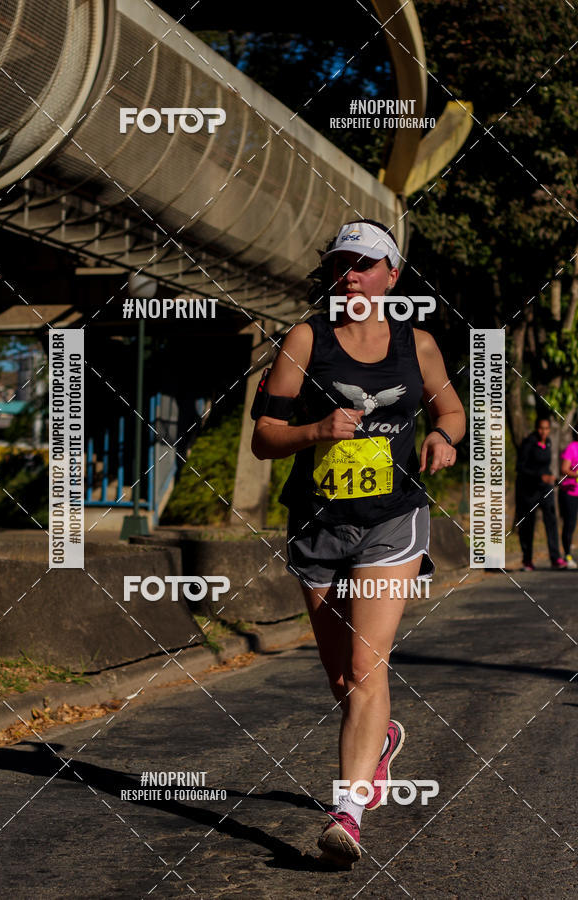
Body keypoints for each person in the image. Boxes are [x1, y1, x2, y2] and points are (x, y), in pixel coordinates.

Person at [251, 219, 466, 866]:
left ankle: (346, 811)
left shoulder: (418, 346)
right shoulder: (305, 340)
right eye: (343, 263)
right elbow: (264, 438)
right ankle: (383, 738)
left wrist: (443, 439)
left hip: (391, 521)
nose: (351, 275)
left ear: (391, 276)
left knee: (369, 669)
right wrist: (317, 430)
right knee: (344, 676)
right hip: (319, 525)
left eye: (366, 264)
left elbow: (450, 410)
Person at [515, 417, 567, 571]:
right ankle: (527, 560)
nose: (543, 432)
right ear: (536, 428)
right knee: (528, 525)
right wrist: (539, 476)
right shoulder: (529, 443)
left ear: (549, 429)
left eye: (546, 429)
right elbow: (520, 467)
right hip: (529, 490)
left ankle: (555, 558)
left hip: (546, 489)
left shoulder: (549, 442)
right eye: (540, 428)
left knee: (551, 521)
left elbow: (546, 467)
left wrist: (553, 478)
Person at [558, 437, 578, 568]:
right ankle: (567, 555)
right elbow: (564, 469)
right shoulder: (572, 447)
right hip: (570, 492)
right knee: (570, 524)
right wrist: (576, 475)